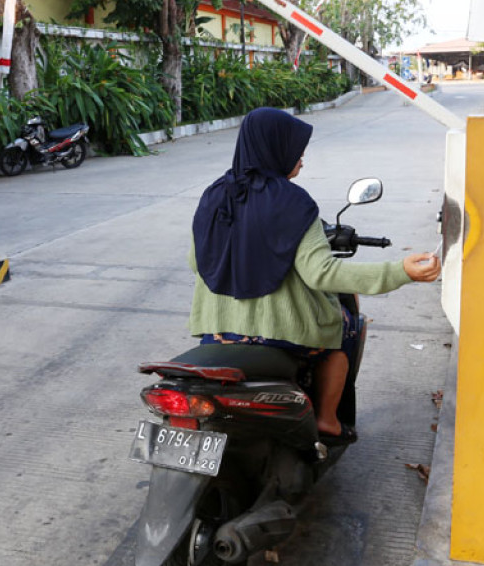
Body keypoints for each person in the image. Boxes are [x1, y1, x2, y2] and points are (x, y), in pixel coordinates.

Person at [188, 107, 441, 444]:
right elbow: (322, 273)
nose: (302, 158)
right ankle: (327, 420)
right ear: (275, 148)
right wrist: (400, 272)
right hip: (280, 335)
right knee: (344, 329)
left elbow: (197, 262)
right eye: (296, 149)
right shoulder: (292, 202)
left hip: (216, 333)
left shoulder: (215, 194)